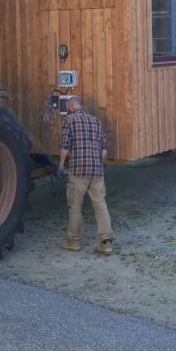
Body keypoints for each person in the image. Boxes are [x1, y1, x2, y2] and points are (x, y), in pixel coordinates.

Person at [57, 96, 114, 255]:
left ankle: (73, 241)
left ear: (70, 105)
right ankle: (106, 243)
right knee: (101, 205)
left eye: (67, 106)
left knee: (75, 206)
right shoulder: (96, 121)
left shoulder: (69, 120)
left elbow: (65, 145)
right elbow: (104, 149)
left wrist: (61, 165)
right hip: (96, 171)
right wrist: (100, 165)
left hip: (78, 171)